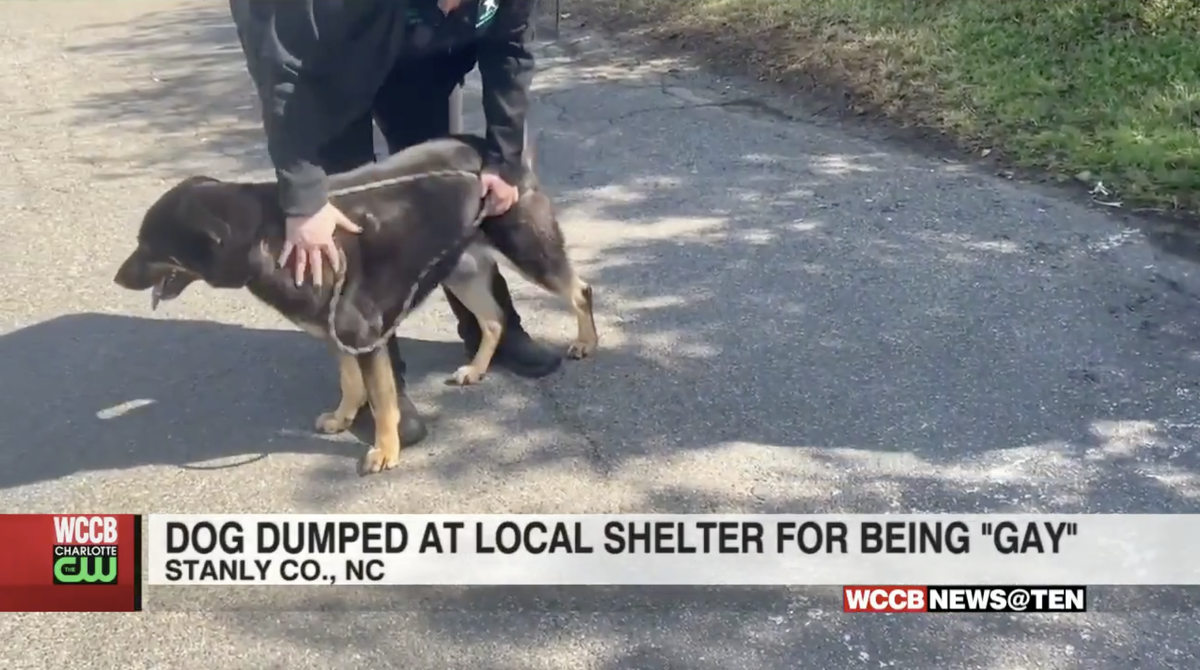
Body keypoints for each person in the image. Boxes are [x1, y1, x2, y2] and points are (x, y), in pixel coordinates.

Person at [229, 0, 562, 446]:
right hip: (326, 66)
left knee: (448, 194)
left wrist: (503, 160)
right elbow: (283, 76)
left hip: (420, 63)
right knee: (344, 223)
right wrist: (305, 197)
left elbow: (510, 49)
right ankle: (377, 385)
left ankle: (492, 324)